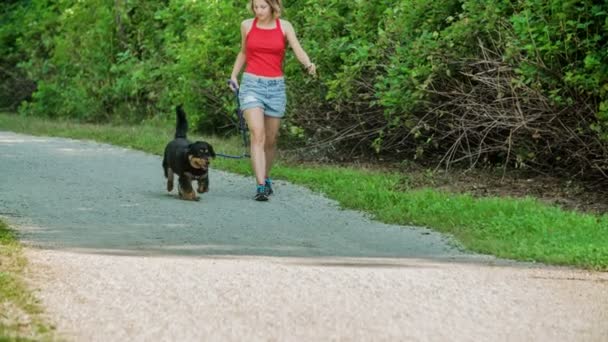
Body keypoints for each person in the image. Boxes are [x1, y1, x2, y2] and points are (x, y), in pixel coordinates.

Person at [229, 0, 316, 201]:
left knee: (270, 139)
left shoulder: (284, 26)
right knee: (257, 135)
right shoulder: (246, 25)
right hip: (252, 85)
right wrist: (234, 75)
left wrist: (308, 64)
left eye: (263, 7)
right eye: (255, 7)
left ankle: (266, 177)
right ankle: (260, 186)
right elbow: (243, 52)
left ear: (273, 6)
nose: (258, 11)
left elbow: (297, 49)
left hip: (276, 88)